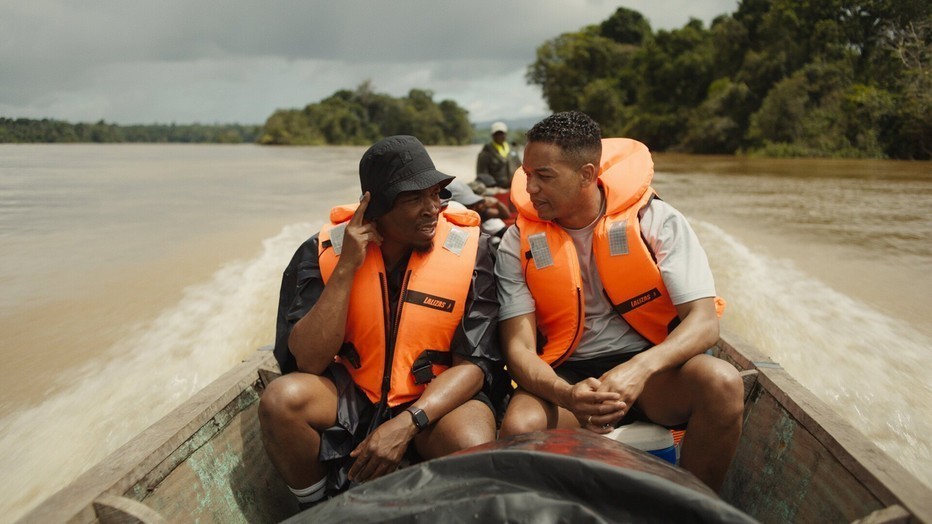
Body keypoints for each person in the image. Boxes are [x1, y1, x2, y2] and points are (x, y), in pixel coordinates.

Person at [495, 111, 743, 491]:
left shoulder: (656, 220)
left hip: (653, 376)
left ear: (587, 174)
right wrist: (569, 395)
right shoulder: (518, 242)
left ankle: (691, 509)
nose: (530, 189)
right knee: (519, 426)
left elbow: (704, 323)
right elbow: (519, 347)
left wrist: (637, 370)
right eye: (527, 175)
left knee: (722, 382)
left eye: (544, 176)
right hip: (572, 377)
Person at [260, 135, 506, 507]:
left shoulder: (474, 251)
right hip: (354, 395)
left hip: (434, 398)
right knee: (281, 400)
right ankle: (316, 509)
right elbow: (308, 362)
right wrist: (346, 270)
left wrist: (407, 422)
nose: (432, 209)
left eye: (437, 194)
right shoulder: (321, 252)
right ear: (373, 208)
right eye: (413, 199)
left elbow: (474, 365)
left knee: (471, 442)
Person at [446, 179, 510, 241]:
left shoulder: (477, 212)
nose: (473, 208)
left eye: (473, 203)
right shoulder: (445, 222)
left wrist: (497, 203)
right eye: (468, 204)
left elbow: (506, 215)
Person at [474, 121, 521, 192]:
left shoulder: (512, 150)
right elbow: (482, 175)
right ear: (492, 135)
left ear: (506, 134)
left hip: (514, 188)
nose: (499, 136)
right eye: (497, 134)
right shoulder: (485, 153)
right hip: (496, 190)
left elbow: (520, 167)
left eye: (501, 133)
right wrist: (493, 189)